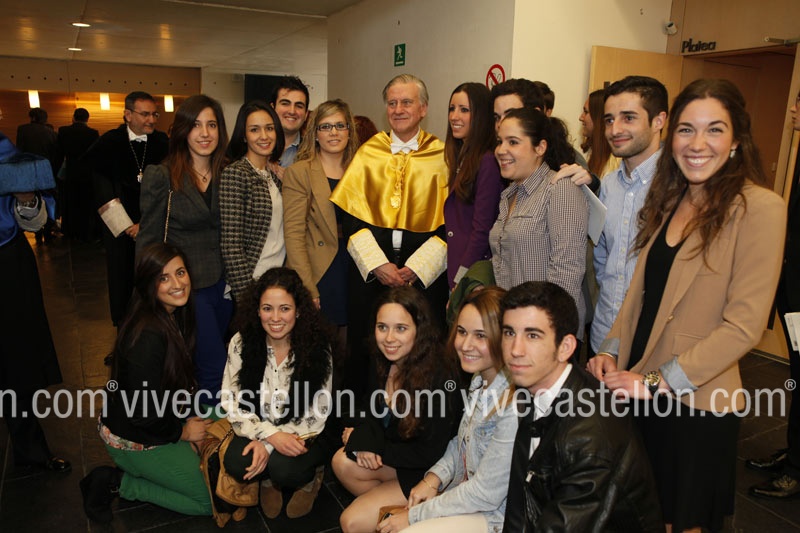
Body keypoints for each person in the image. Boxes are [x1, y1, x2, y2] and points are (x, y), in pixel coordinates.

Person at [589, 79, 787, 532]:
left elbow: (744, 326)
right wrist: (610, 349)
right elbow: (639, 293)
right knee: (641, 516)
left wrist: (655, 382)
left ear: (736, 139)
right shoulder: (671, 198)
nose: (698, 144)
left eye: (714, 129)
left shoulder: (760, 208)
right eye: (686, 129)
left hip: (695, 401)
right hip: (639, 387)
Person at [501, 281, 662, 531]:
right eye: (509, 333)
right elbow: (521, 504)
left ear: (565, 347)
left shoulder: (590, 437)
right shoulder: (534, 387)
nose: (515, 350)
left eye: (532, 335)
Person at [330, 74, 450, 394]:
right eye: (392, 103)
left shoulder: (443, 156)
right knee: (366, 347)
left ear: (423, 108)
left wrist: (417, 268)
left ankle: (417, 416)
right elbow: (352, 220)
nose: (398, 109)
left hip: (421, 276)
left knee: (422, 348)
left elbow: (450, 226)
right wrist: (378, 265)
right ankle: (362, 415)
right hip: (372, 275)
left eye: (406, 102)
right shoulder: (368, 152)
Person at [80, 243, 213, 523]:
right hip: (136, 436)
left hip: (162, 417)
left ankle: (159, 466)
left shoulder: (175, 313)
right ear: (148, 284)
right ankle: (117, 482)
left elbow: (179, 382)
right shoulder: (147, 335)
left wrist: (191, 416)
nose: (177, 284)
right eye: (164, 278)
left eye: (180, 272)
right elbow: (143, 414)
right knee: (208, 501)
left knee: (224, 416)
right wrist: (183, 432)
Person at [378, 287, 516, 533]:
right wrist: (433, 478)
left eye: (481, 335)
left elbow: (485, 494)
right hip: (466, 491)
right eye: (462, 332)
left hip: (497, 515)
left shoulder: (512, 402)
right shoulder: (479, 380)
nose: (465, 344)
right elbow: (461, 443)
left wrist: (415, 516)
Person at [333, 286, 461, 533]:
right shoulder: (383, 359)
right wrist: (364, 438)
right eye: (382, 327)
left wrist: (374, 446)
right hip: (402, 459)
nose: (389, 338)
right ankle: (402, 515)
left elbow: (432, 453)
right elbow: (369, 409)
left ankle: (418, 511)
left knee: (351, 523)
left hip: (431, 471)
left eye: (400, 328)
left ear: (419, 329)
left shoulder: (441, 376)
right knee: (341, 461)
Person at [557, 76, 668, 355]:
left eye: (628, 118)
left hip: (651, 344)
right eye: (609, 120)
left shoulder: (677, 186)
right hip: (604, 336)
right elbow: (603, 260)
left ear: (658, 121)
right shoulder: (609, 185)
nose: (615, 129)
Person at [138, 94, 232, 405]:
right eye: (195, 125)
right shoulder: (162, 175)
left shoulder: (229, 172)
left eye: (212, 125)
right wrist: (148, 290)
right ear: (182, 130)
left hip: (226, 285)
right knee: (214, 367)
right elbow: (149, 239)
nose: (205, 133)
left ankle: (195, 416)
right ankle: (210, 427)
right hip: (187, 287)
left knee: (210, 361)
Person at [219, 267, 334, 519]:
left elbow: (316, 414)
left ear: (298, 310)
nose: (275, 318)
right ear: (257, 310)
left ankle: (310, 478)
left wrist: (268, 445)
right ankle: (267, 479)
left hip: (305, 430)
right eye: (267, 308)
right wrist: (269, 435)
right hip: (260, 425)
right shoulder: (241, 341)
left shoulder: (317, 347)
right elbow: (231, 399)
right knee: (237, 462)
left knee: (286, 469)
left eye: (285, 308)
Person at [0, 121, 70, 476]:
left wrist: (26, 199)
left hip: (6, 263)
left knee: (17, 360)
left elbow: (33, 220)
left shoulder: (3, 149)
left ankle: (29, 449)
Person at [490, 107, 588, 344]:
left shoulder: (559, 188)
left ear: (540, 148)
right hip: (515, 327)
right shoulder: (509, 195)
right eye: (500, 141)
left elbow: (567, 271)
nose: (501, 150)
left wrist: (548, 334)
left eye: (513, 142)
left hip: (548, 331)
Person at [746, 89, 800, 499]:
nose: (793, 110)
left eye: (799, 104)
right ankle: (794, 453)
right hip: (792, 294)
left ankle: (796, 470)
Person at [89, 91, 169, 328]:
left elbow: (170, 187)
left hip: (154, 226)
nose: (151, 120)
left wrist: (146, 224)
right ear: (127, 114)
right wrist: (126, 226)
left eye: (154, 114)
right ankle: (125, 331)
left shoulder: (163, 143)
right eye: (145, 114)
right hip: (120, 229)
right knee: (121, 277)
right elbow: (102, 188)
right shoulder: (109, 143)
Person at [283, 99, 359, 329]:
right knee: (321, 338)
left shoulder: (361, 170)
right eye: (325, 127)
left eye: (340, 125)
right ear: (315, 133)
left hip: (355, 266)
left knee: (353, 339)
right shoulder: (300, 172)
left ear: (349, 131)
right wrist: (307, 286)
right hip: (320, 269)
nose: (333, 132)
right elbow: (294, 235)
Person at [220, 100, 286, 303]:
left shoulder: (275, 176)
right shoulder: (236, 173)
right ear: (244, 135)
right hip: (252, 280)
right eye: (255, 130)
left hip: (278, 279)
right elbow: (231, 244)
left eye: (269, 128)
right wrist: (245, 296)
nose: (264, 136)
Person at [443, 82, 504, 289]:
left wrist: (460, 279)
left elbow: (482, 230)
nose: (454, 116)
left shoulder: (487, 161)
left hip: (472, 273)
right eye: (452, 109)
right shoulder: (462, 158)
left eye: (464, 110)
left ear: (481, 116)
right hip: (457, 267)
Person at [16, 107, 61, 242]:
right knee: (49, 201)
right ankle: (48, 230)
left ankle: (37, 231)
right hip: (46, 171)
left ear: (32, 117)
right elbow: (56, 155)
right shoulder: (51, 133)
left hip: (28, 171)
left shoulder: (22, 129)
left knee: (32, 200)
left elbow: (19, 151)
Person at [58, 107, 100, 241]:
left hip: (70, 172)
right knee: (86, 205)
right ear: (87, 119)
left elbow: (58, 153)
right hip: (87, 174)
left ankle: (70, 231)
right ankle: (85, 231)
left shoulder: (63, 131)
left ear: (73, 118)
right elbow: (95, 155)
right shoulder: (93, 133)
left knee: (70, 203)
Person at [270, 75, 310, 172]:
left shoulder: (314, 153)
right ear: (272, 108)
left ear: (306, 114)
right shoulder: (255, 147)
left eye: (299, 106)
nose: (292, 111)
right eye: (285, 103)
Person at [579, 89, 618, 179]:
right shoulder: (587, 153)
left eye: (586, 112)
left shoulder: (616, 161)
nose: (581, 117)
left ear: (598, 117)